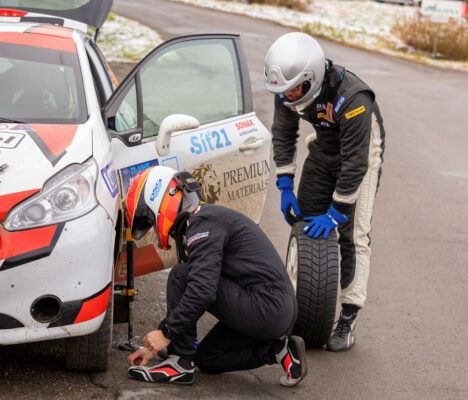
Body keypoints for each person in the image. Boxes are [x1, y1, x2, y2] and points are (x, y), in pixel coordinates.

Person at [124, 166, 307, 386]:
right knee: (207, 359)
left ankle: (179, 363)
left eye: (151, 221)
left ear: (163, 199)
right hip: (269, 309)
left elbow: (201, 290)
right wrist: (155, 345)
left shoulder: (203, 224)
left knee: (182, 275)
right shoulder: (204, 220)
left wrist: (166, 332)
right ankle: (281, 351)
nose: (154, 227)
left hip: (267, 306)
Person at [264, 32, 385, 351]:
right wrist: (285, 183)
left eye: (293, 89)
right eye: (282, 91)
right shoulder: (287, 89)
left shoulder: (353, 97)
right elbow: (283, 133)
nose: (288, 96)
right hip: (324, 147)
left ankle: (348, 315)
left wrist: (337, 211)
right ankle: (297, 304)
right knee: (304, 222)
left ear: (312, 77)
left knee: (352, 233)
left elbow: (356, 163)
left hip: (362, 152)